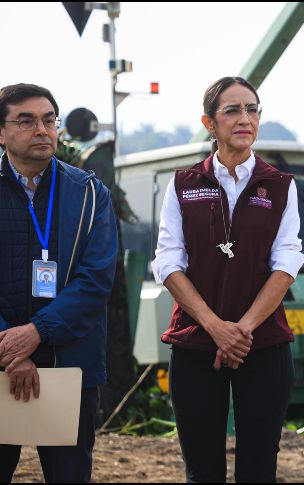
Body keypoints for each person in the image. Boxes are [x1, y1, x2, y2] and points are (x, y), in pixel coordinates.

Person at [152, 76, 304, 482]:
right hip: (196, 342)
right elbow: (168, 262)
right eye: (232, 110)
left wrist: (242, 330)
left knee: (258, 468)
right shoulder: (183, 185)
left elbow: (286, 262)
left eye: (252, 109)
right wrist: (216, 327)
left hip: (264, 343)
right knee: (202, 470)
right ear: (209, 123)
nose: (245, 118)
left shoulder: (280, 185)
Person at [0, 83, 118, 482]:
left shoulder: (88, 193)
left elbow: (96, 279)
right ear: (1, 133)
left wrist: (37, 333)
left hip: (70, 365)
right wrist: (10, 349)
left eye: (49, 120)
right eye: (26, 121)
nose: (42, 130)